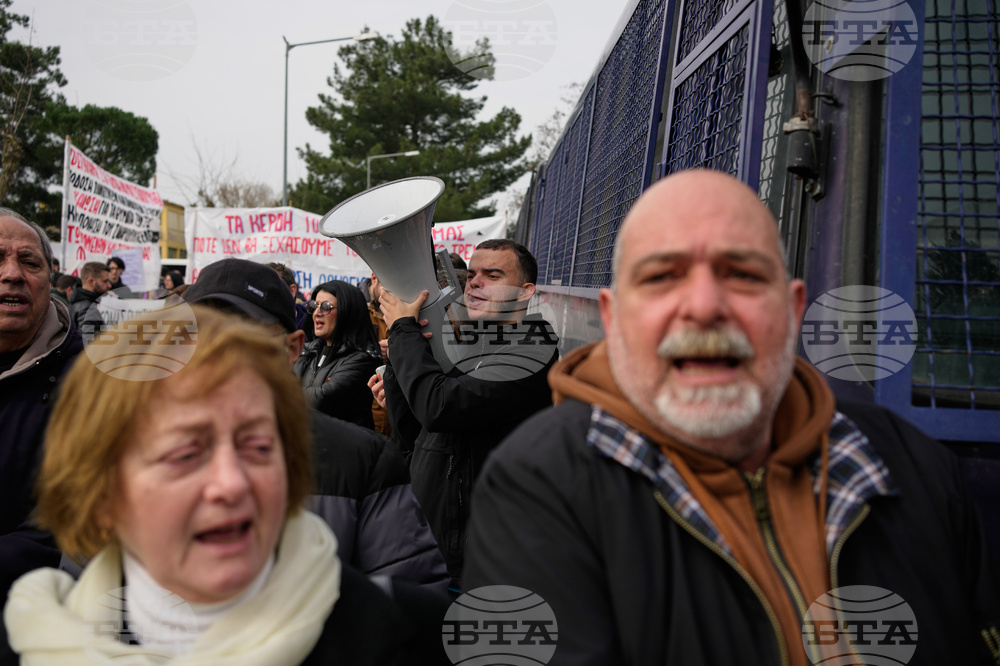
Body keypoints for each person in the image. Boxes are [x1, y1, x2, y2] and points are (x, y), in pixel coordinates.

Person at [463, 170, 1000, 665]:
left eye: (742, 274)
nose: (703, 305)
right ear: (614, 318)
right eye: (662, 278)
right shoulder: (538, 487)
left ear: (791, 312)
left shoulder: (913, 465)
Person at [3, 307, 449, 665]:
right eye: (184, 455)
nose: (233, 485)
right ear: (100, 492)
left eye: (258, 446)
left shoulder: (413, 632)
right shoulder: (25, 643)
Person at [185, 258, 448, 591]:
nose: (212, 348)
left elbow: (414, 601)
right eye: (196, 329)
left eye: (241, 332)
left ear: (291, 348)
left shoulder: (364, 463)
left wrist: (309, 604)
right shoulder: (124, 443)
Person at [376, 238, 559, 586]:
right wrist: (399, 364)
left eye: (493, 274)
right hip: (432, 547)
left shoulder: (532, 349)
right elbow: (411, 432)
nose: (475, 282)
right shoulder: (467, 343)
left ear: (524, 292)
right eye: (473, 274)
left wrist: (404, 333)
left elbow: (439, 408)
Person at [0, 209, 83, 601]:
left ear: (50, 279)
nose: (13, 274)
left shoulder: (90, 387)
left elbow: (63, 524)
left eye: (29, 261)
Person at [295, 280, 381, 429]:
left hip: (343, 448)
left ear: (347, 312)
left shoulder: (363, 360)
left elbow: (320, 400)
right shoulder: (307, 351)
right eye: (314, 306)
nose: (316, 313)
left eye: (326, 307)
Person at [68, 261, 111, 338]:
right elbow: (90, 343)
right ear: (91, 282)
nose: (109, 285)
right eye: (105, 281)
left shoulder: (76, 301)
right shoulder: (87, 308)